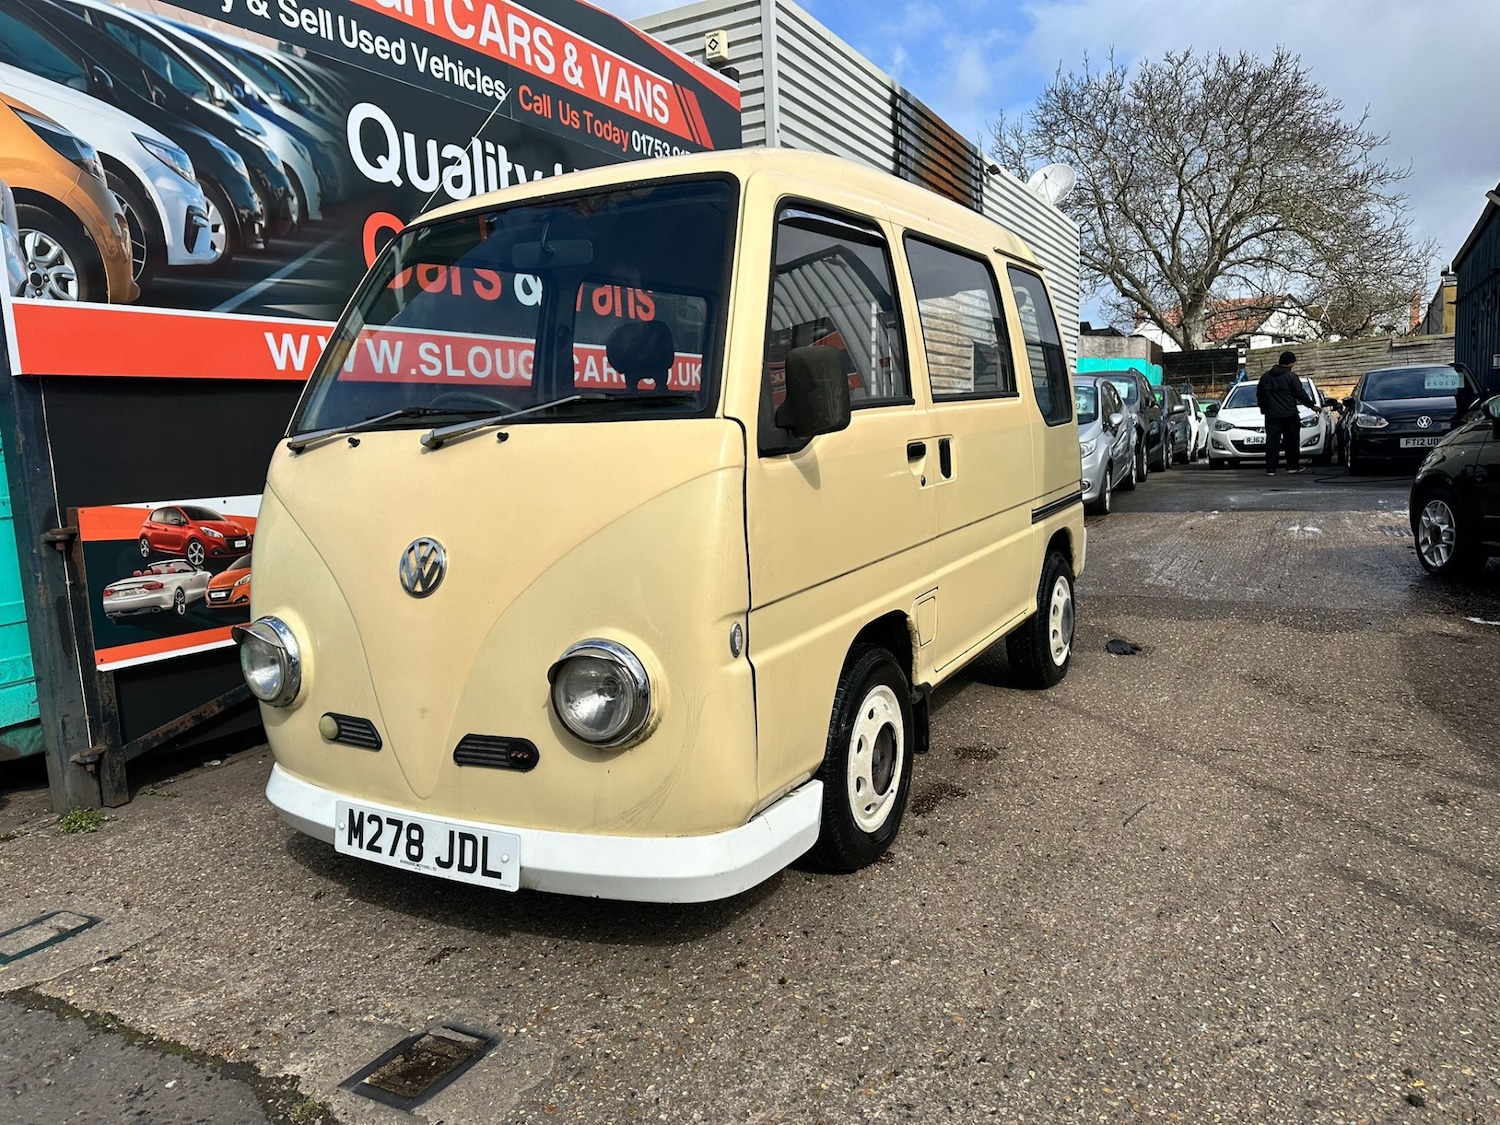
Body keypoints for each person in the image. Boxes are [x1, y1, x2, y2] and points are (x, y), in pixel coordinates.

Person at [1256, 351, 1317, 476]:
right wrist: (1312, 406)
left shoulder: (1265, 377)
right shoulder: (1291, 377)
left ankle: (1271, 469)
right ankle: (1292, 466)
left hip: (1272, 415)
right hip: (1289, 414)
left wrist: (1264, 409)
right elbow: (1300, 394)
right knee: (1292, 441)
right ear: (1290, 363)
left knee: (1272, 442)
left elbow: (1260, 395)